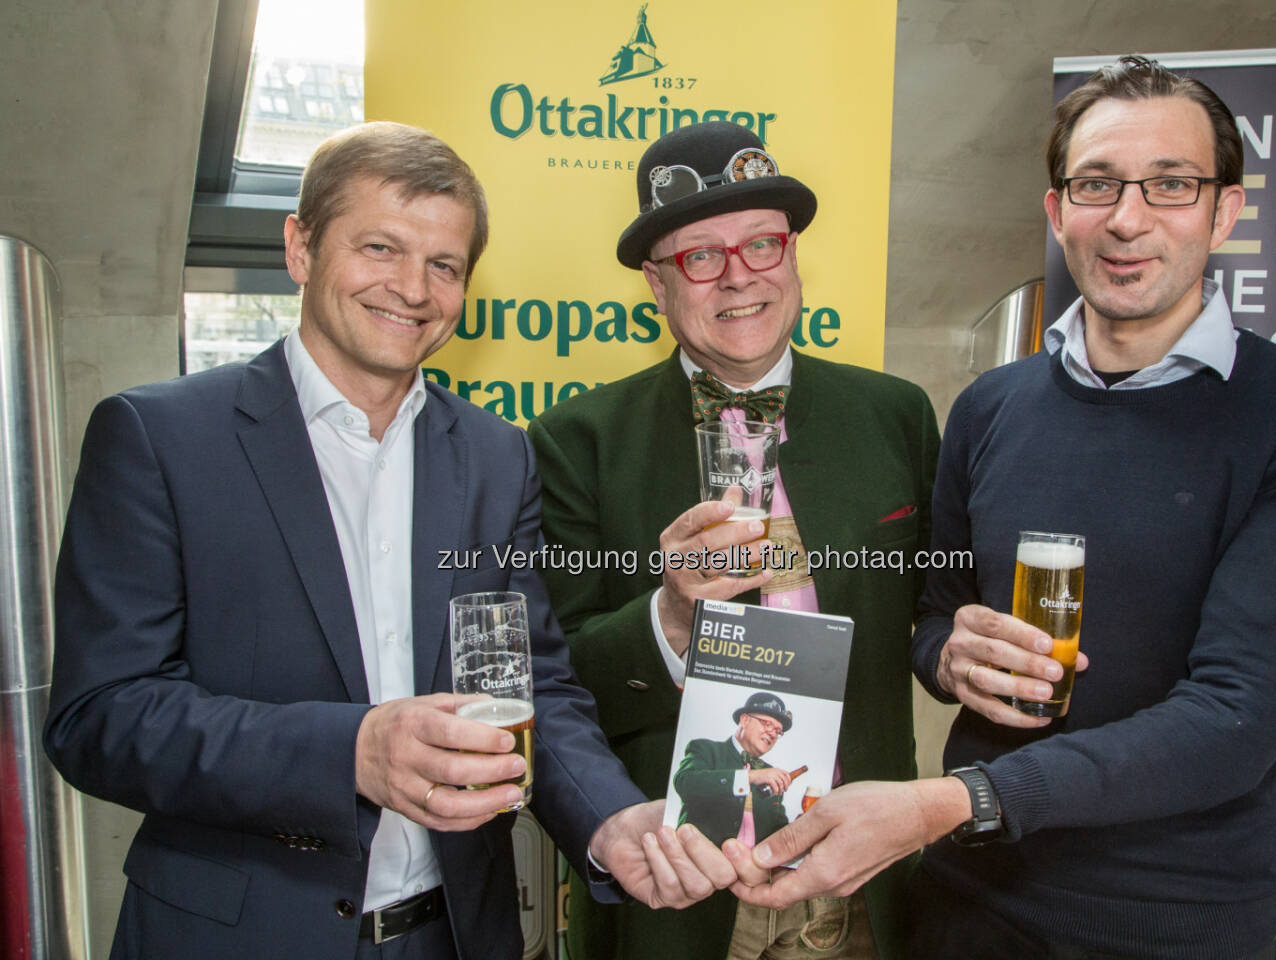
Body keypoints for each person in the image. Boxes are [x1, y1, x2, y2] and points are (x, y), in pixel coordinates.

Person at [731, 55, 1276, 960]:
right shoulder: (990, 406)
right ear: (1056, 210)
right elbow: (931, 622)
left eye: (1171, 185)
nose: (1126, 218)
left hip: (1171, 923)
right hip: (966, 907)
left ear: (1224, 210)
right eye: (1096, 184)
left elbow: (1236, 719)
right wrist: (949, 657)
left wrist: (955, 802)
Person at [42, 121, 735, 960]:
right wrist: (352, 752)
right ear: (300, 248)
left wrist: (611, 820)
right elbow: (99, 716)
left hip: (454, 936)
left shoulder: (495, 455)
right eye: (379, 247)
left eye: (444, 265)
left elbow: (532, 688)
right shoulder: (159, 437)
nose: (412, 288)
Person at [528, 120, 941, 959]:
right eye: (700, 256)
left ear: (791, 255)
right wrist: (672, 615)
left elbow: (935, 613)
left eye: (762, 244)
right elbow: (555, 683)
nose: (739, 276)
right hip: (676, 893)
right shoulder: (576, 440)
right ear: (656, 283)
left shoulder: (895, 414)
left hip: (856, 877)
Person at [674, 694, 795, 847]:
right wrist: (749, 777)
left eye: (778, 731)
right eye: (767, 724)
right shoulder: (706, 749)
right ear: (744, 720)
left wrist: (800, 826)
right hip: (697, 858)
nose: (772, 733)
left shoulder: (771, 774)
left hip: (751, 866)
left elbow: (776, 830)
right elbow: (686, 783)